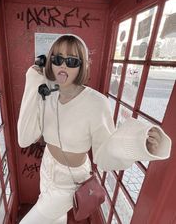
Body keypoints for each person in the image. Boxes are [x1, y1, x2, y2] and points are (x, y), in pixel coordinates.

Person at [17, 35, 171, 224]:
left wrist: (138, 143)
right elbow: (24, 138)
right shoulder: (47, 93)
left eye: (71, 61)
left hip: (70, 180)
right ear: (49, 62)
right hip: (47, 167)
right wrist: (32, 80)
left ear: (82, 66)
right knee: (56, 219)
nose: (62, 66)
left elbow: (105, 154)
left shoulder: (97, 103)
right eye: (57, 59)